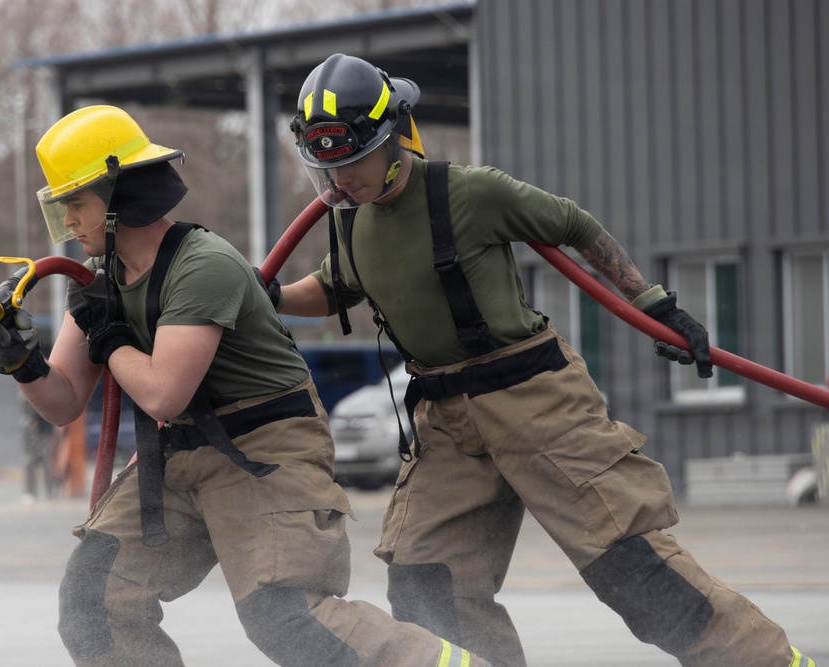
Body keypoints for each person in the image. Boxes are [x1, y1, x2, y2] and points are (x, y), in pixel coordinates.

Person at [273, 53, 817, 667]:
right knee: (428, 583)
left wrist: (651, 303)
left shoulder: (469, 193)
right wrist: (270, 296)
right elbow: (335, 286)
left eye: (351, 163)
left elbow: (575, 225)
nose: (339, 182)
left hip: (534, 398)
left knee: (634, 571)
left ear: (392, 136)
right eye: (328, 169)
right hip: (444, 419)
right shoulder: (348, 220)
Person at [0, 103, 493, 667]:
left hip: (268, 448)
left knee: (288, 615)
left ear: (119, 196)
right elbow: (63, 404)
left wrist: (110, 340)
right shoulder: (101, 286)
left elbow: (161, 393)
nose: (70, 223)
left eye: (77, 204)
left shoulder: (203, 266)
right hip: (180, 455)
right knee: (93, 602)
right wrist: (22, 362)